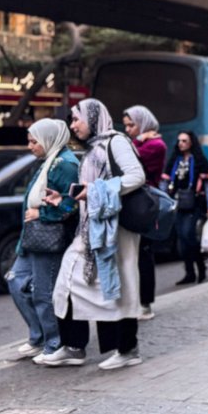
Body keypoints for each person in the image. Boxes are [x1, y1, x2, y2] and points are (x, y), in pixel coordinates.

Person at [40, 99, 145, 369]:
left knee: (119, 288)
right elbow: (89, 188)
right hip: (89, 229)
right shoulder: (92, 148)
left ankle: (128, 349)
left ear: (93, 117)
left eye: (77, 119)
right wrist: (65, 197)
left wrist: (97, 191)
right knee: (66, 284)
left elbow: (136, 176)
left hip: (115, 229)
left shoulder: (115, 142)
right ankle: (74, 346)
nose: (73, 126)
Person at [11, 119, 79, 359]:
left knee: (44, 292)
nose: (30, 146)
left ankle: (54, 343)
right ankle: (40, 336)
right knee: (16, 282)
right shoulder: (49, 161)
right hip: (33, 235)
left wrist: (43, 213)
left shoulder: (65, 165)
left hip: (47, 235)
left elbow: (71, 205)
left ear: (49, 139)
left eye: (33, 141)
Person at [122, 105, 166, 320]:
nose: (128, 129)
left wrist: (138, 140)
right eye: (126, 125)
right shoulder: (143, 142)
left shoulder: (156, 145)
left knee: (143, 256)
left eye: (132, 125)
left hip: (144, 205)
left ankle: (145, 303)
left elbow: (131, 158)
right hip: (132, 203)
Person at [163, 130, 208, 285]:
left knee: (189, 235)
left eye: (184, 141)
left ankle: (201, 267)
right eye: (179, 140)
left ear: (191, 142)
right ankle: (189, 273)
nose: (181, 143)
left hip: (195, 203)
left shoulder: (200, 160)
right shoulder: (174, 160)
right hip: (179, 203)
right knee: (181, 238)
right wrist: (162, 200)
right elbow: (165, 182)